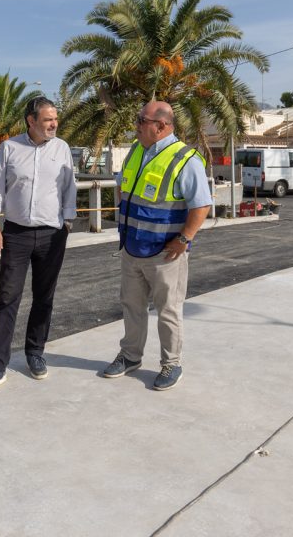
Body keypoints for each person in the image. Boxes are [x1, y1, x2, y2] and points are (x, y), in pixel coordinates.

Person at [101, 100, 211, 392]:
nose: (136, 124)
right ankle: (130, 356)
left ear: (161, 126)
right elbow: (125, 189)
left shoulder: (185, 159)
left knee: (168, 310)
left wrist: (185, 238)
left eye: (141, 120)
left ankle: (171, 363)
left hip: (165, 253)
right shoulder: (137, 150)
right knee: (132, 306)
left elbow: (201, 205)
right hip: (132, 247)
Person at [0, 97, 77, 395]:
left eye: (55, 119)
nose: (53, 124)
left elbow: (69, 188)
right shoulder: (9, 147)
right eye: (47, 119)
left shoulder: (62, 148)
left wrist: (67, 224)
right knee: (8, 298)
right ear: (31, 121)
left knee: (44, 297)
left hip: (52, 234)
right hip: (16, 234)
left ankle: (35, 352)